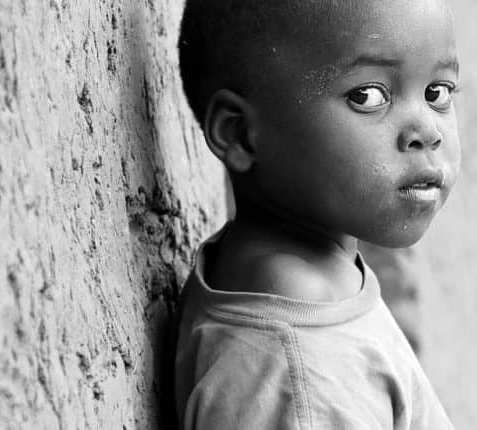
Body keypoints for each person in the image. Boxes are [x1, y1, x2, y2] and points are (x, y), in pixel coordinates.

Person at [171, 0, 460, 428]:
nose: (428, 132)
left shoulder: (316, 285)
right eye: (368, 96)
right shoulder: (301, 362)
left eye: (438, 93)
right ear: (239, 133)